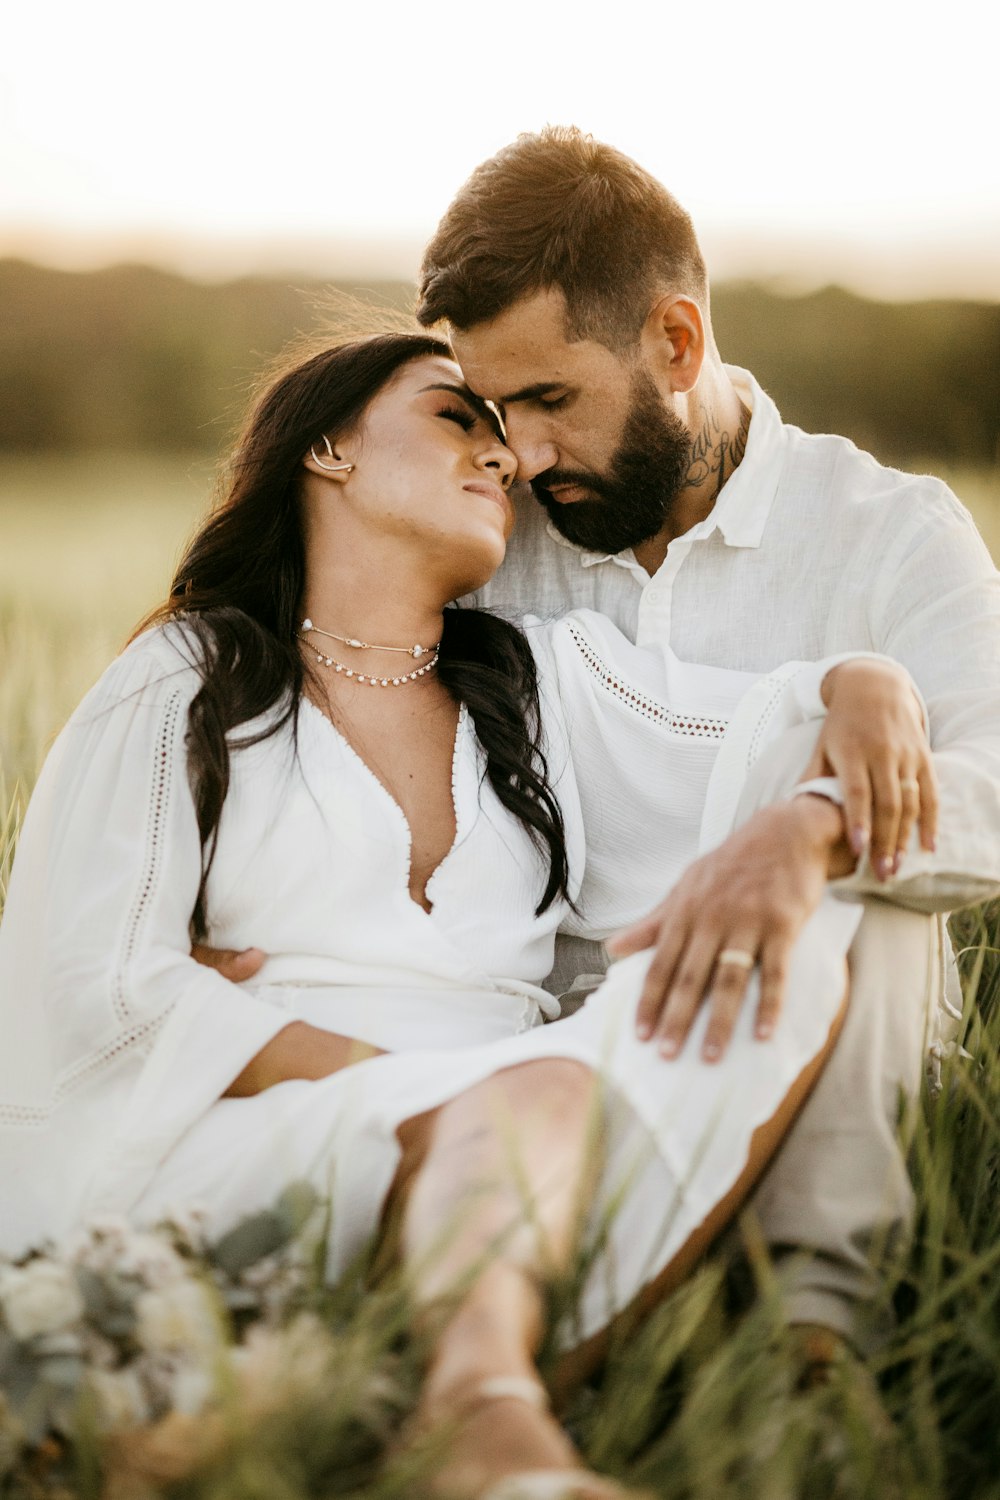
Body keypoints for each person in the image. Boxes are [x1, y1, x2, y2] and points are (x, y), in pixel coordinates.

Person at [0, 331, 948, 1499]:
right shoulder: (195, 673)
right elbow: (100, 983)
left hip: (523, 1139)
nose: (500, 461)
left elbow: (759, 733)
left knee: (806, 900)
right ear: (331, 448)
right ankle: (481, 1407)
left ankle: (509, 1336)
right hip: (256, 1136)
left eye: (502, 440)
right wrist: (424, 1087)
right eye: (458, 417)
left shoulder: (532, 682)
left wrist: (870, 685)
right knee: (534, 1096)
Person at [413, 126, 1000, 1361]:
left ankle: (815, 1350)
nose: (515, 454)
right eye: (490, 407)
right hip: (563, 1058)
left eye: (549, 401)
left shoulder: (890, 532)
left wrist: (813, 829)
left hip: (835, 1055)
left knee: (872, 846)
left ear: (674, 342)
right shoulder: (486, 540)